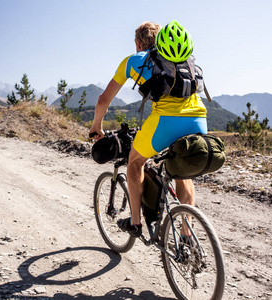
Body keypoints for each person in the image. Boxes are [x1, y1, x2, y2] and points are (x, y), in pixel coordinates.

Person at [89, 20, 208, 237]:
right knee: (181, 168)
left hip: (165, 121)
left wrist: (96, 126)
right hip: (199, 119)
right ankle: (186, 235)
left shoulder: (133, 61)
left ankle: (135, 222)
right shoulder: (181, 61)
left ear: (138, 42)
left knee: (135, 161)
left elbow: (103, 100)